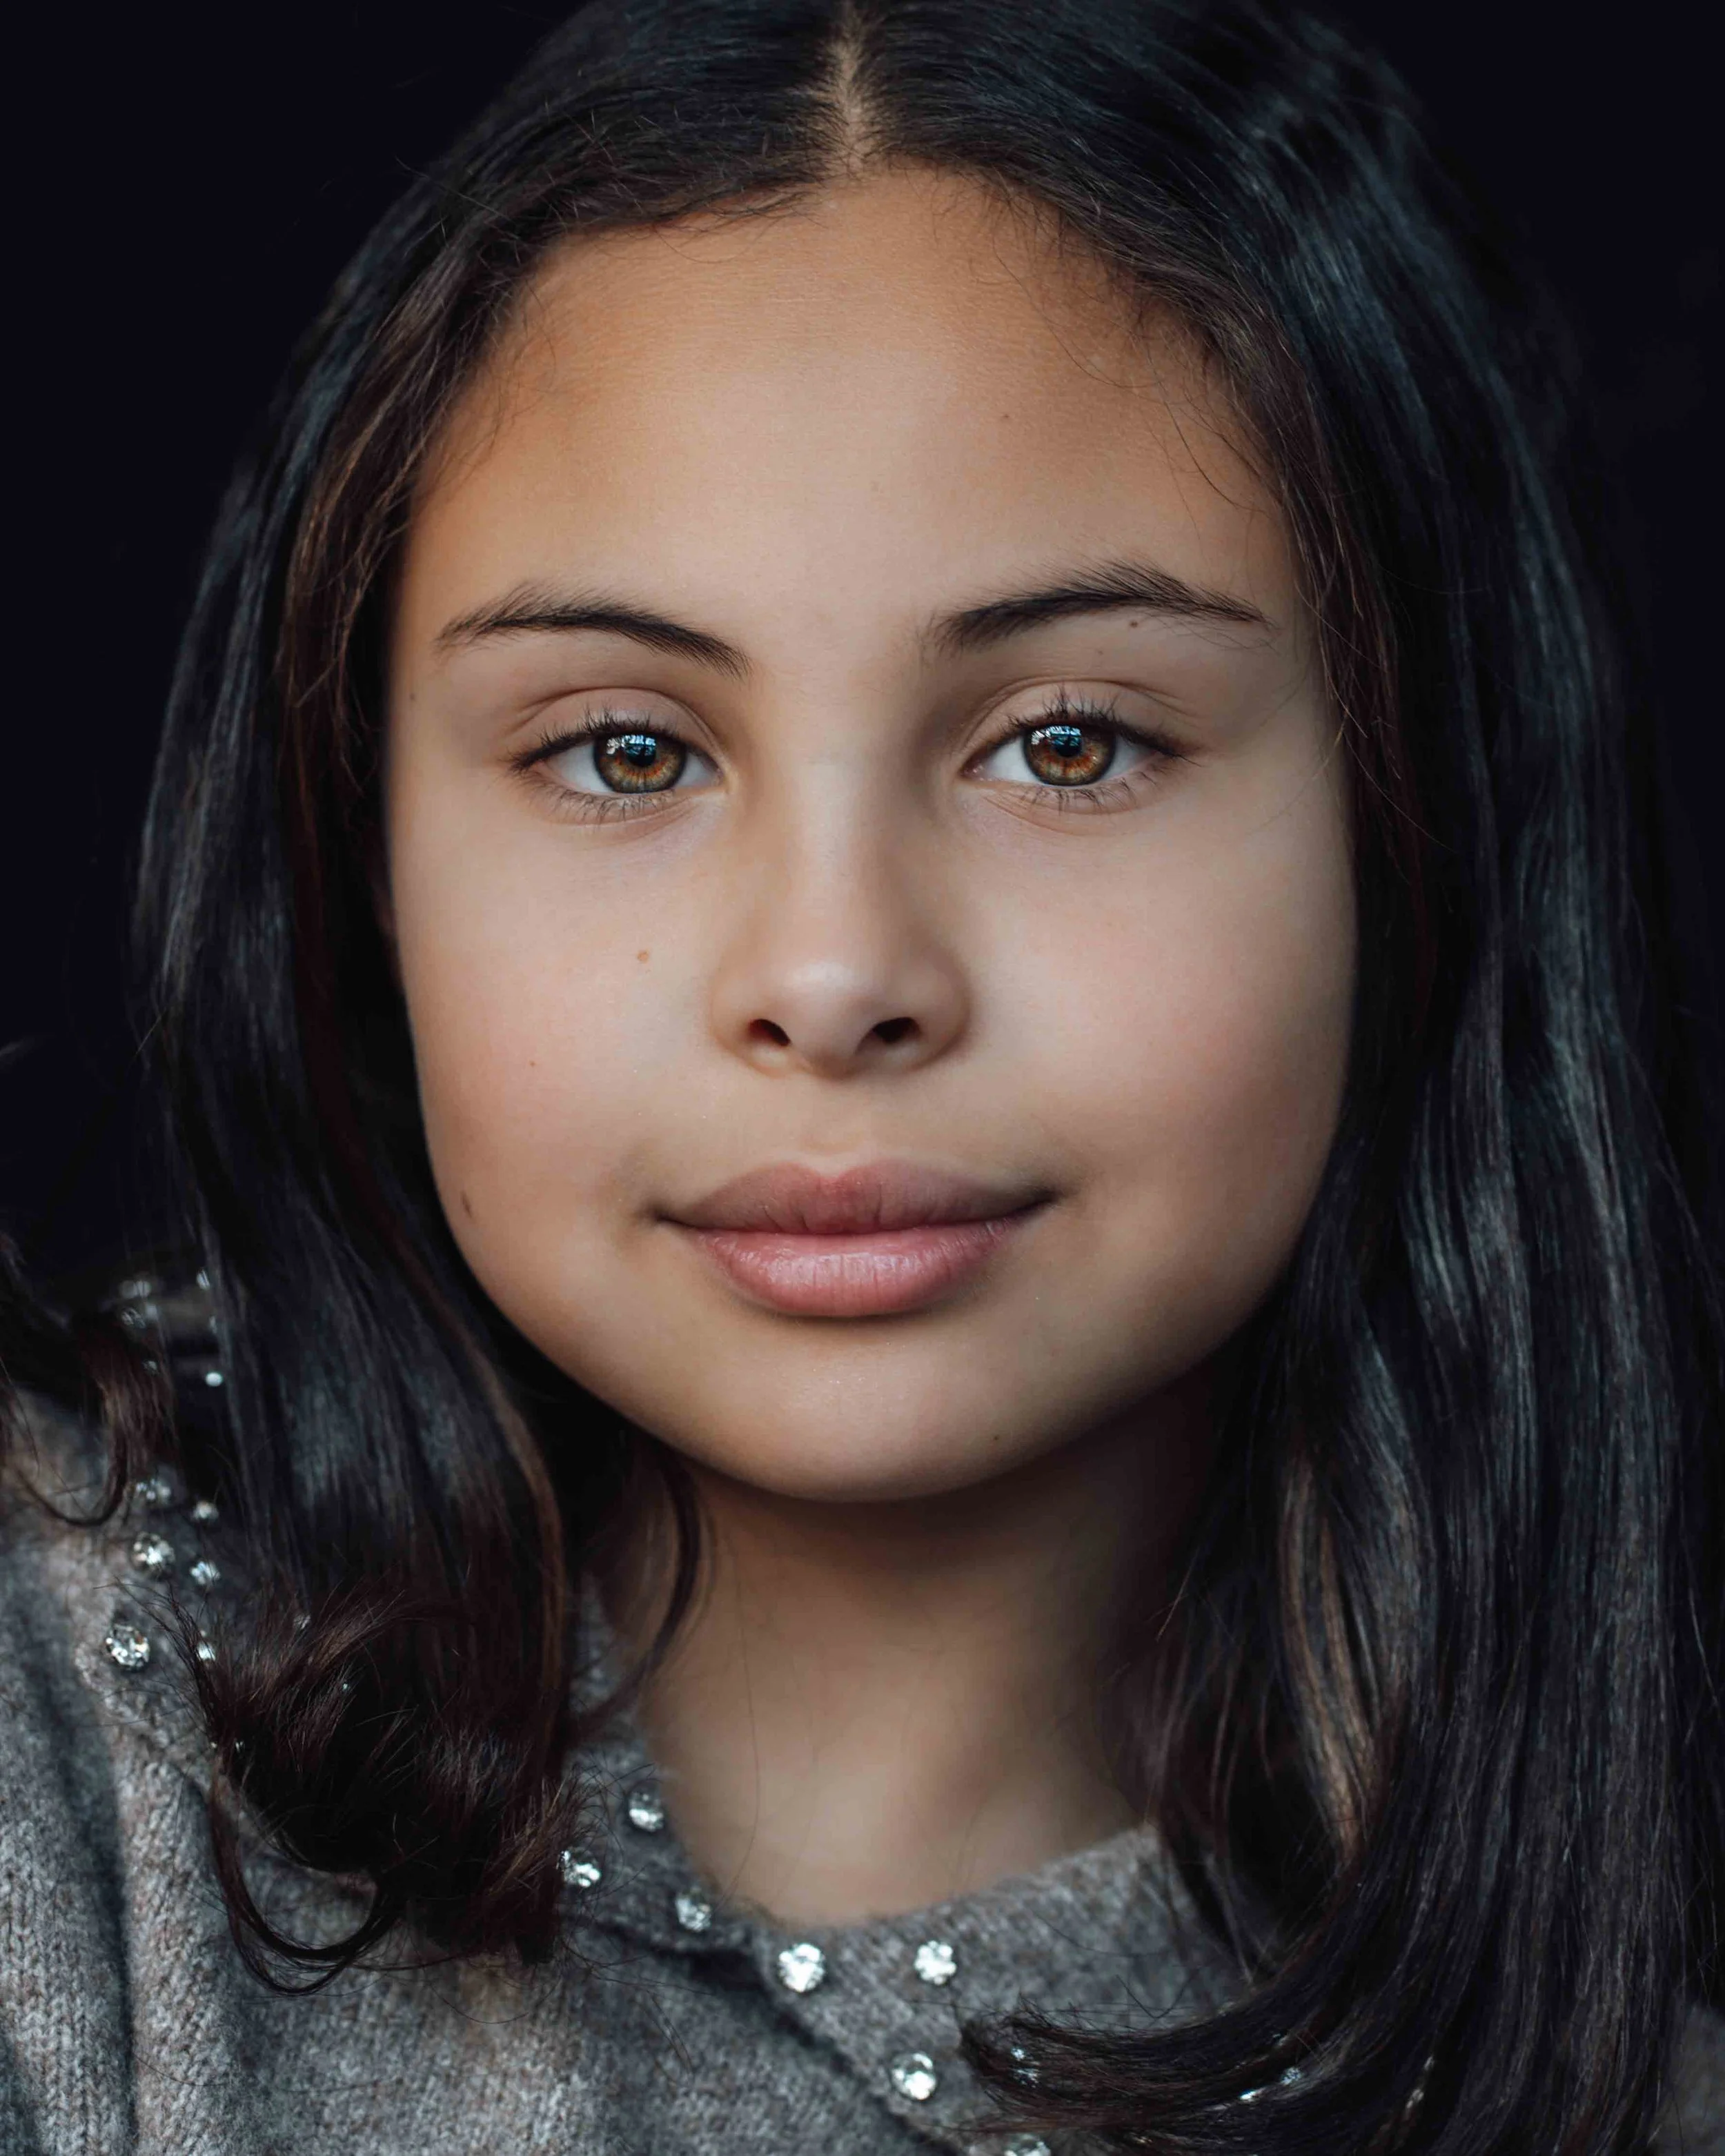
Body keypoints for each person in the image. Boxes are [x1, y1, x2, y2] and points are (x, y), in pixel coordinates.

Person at [2, 1, 1720, 2148]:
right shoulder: (51, 1733)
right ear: (359, 851)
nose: (831, 976)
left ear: (1419, 821)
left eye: (1068, 742)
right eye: (624, 750)